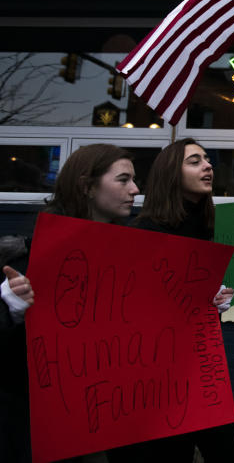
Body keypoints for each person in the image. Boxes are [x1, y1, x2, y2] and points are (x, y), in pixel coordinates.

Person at [1, 143, 139, 463]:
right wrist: (9, 310)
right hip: (42, 428)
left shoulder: (133, 256)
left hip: (106, 415)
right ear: (87, 186)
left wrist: (200, 306)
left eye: (134, 180)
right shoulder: (30, 257)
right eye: (123, 179)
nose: (134, 189)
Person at [124, 138, 234, 463]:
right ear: (171, 174)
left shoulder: (212, 227)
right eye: (194, 161)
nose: (207, 165)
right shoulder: (146, 233)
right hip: (161, 381)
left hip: (204, 369)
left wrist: (218, 298)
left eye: (207, 159)